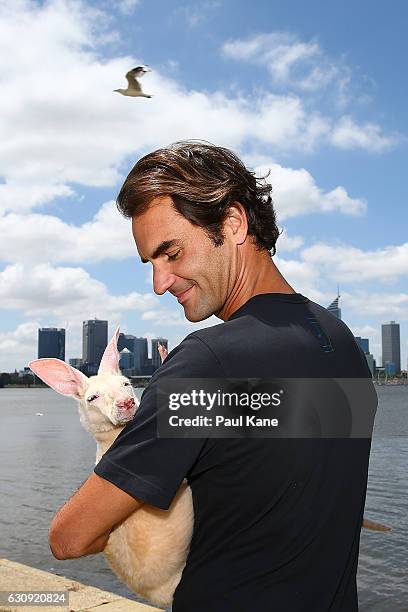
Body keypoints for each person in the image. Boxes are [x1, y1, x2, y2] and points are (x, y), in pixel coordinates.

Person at [49, 141, 376, 611]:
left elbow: (71, 538)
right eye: (151, 264)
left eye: (172, 252)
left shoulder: (208, 366)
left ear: (234, 223)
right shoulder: (341, 344)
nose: (160, 283)